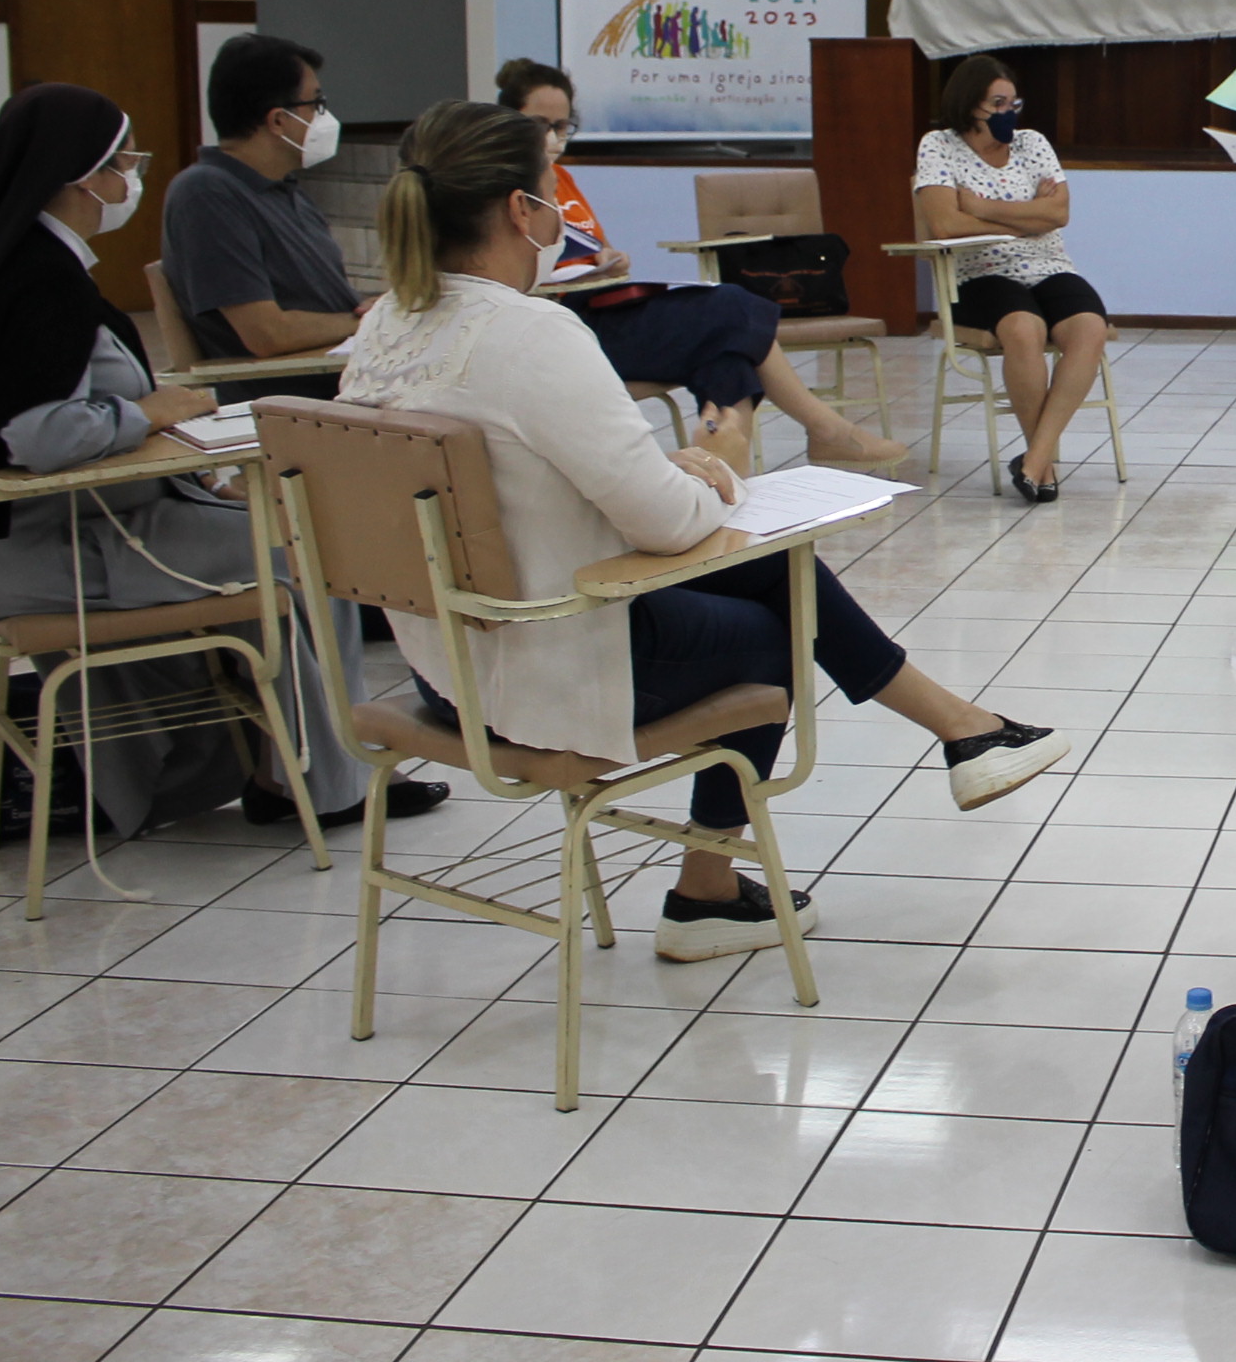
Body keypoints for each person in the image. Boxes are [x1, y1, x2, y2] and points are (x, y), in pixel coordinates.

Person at [337, 101, 1071, 958]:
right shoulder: (531, 335)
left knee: (769, 571)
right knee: (774, 621)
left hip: (445, 668)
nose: (559, 216)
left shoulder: (384, 327)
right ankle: (710, 887)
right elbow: (671, 523)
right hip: (547, 673)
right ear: (518, 211)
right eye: (550, 193)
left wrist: (676, 473)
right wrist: (721, 455)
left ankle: (960, 732)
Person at [0, 84, 432, 837]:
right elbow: (38, 437)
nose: (133, 178)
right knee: (310, 551)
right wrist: (152, 413)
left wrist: (187, 468)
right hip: (63, 546)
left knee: (283, 535)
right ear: (83, 176)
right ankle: (323, 778)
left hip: (31, 535)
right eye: (126, 162)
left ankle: (293, 765)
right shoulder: (36, 282)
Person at [494, 58, 902, 473]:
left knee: (726, 359)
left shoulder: (561, 178)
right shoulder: (507, 188)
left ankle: (727, 477)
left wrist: (610, 259)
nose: (552, 136)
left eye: (562, 126)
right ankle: (825, 431)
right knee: (732, 307)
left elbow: (597, 248)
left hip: (604, 303)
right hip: (565, 325)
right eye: (540, 124)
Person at [914, 56, 1114, 503]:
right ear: (969, 104)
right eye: (998, 104)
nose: (1009, 112)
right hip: (978, 271)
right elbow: (945, 224)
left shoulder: (1032, 143)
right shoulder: (939, 145)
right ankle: (1043, 465)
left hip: (1047, 264)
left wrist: (981, 208)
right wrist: (1026, 218)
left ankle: (1036, 459)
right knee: (1025, 329)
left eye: (1013, 103)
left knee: (1090, 328)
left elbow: (1058, 214)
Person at [160, 34, 366, 399]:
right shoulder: (206, 193)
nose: (324, 116)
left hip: (346, 382)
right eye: (316, 104)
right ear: (278, 120)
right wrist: (365, 321)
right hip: (290, 402)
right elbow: (266, 334)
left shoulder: (285, 190)